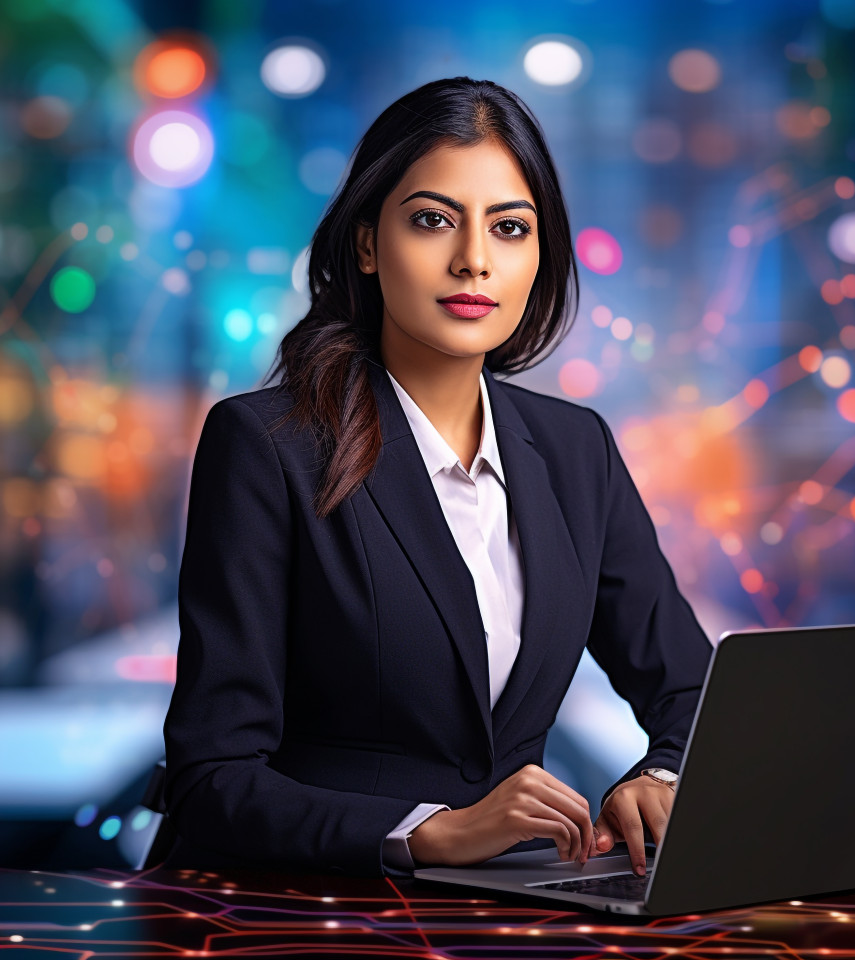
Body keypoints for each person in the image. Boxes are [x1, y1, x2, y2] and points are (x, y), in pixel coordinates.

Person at [161, 76, 713, 878]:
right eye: (431, 221)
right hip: (311, 908)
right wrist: (425, 834)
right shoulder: (266, 444)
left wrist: (661, 775)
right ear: (366, 243)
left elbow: (695, 693)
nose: (474, 261)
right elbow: (210, 779)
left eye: (510, 228)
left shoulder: (576, 449)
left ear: (540, 253)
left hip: (519, 911)